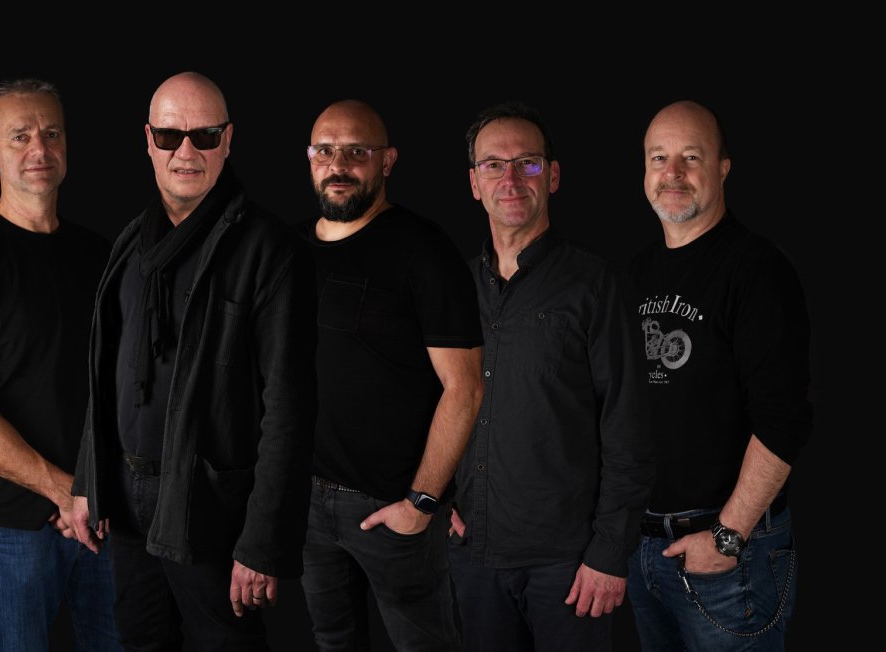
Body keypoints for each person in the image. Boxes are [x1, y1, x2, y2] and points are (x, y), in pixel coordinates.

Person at [69, 71, 316, 651]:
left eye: (204, 136)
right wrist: (87, 482)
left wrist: (262, 543)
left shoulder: (270, 250)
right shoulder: (130, 242)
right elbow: (106, 373)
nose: (186, 152)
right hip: (126, 501)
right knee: (141, 641)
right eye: (169, 136)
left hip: (211, 507)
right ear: (148, 141)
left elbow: (290, 409)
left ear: (228, 140)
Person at [447, 102, 655, 651]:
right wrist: (432, 495)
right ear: (474, 183)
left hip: (569, 565)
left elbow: (629, 424)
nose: (511, 179)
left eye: (528, 163)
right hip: (472, 557)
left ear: (553, 176)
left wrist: (609, 552)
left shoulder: (596, 284)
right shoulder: (452, 288)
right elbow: (425, 404)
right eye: (494, 165)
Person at [0, 79, 119, 651]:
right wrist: (64, 490)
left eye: (51, 134)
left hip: (101, 515)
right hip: (9, 527)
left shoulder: (98, 254)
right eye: (20, 136)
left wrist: (96, 490)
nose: (39, 148)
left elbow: (121, 386)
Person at [298, 99, 484, 651]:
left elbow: (465, 387)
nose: (338, 165)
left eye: (357, 151)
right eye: (325, 151)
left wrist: (422, 502)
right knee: (333, 642)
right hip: (306, 508)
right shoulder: (288, 250)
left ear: (388, 160)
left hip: (391, 509)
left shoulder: (423, 250)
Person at [626, 100, 811, 651]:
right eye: (658, 158)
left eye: (691, 157)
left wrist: (729, 536)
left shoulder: (756, 269)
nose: (672, 173)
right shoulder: (635, 274)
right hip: (646, 548)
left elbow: (783, 420)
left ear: (723, 168)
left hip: (730, 554)